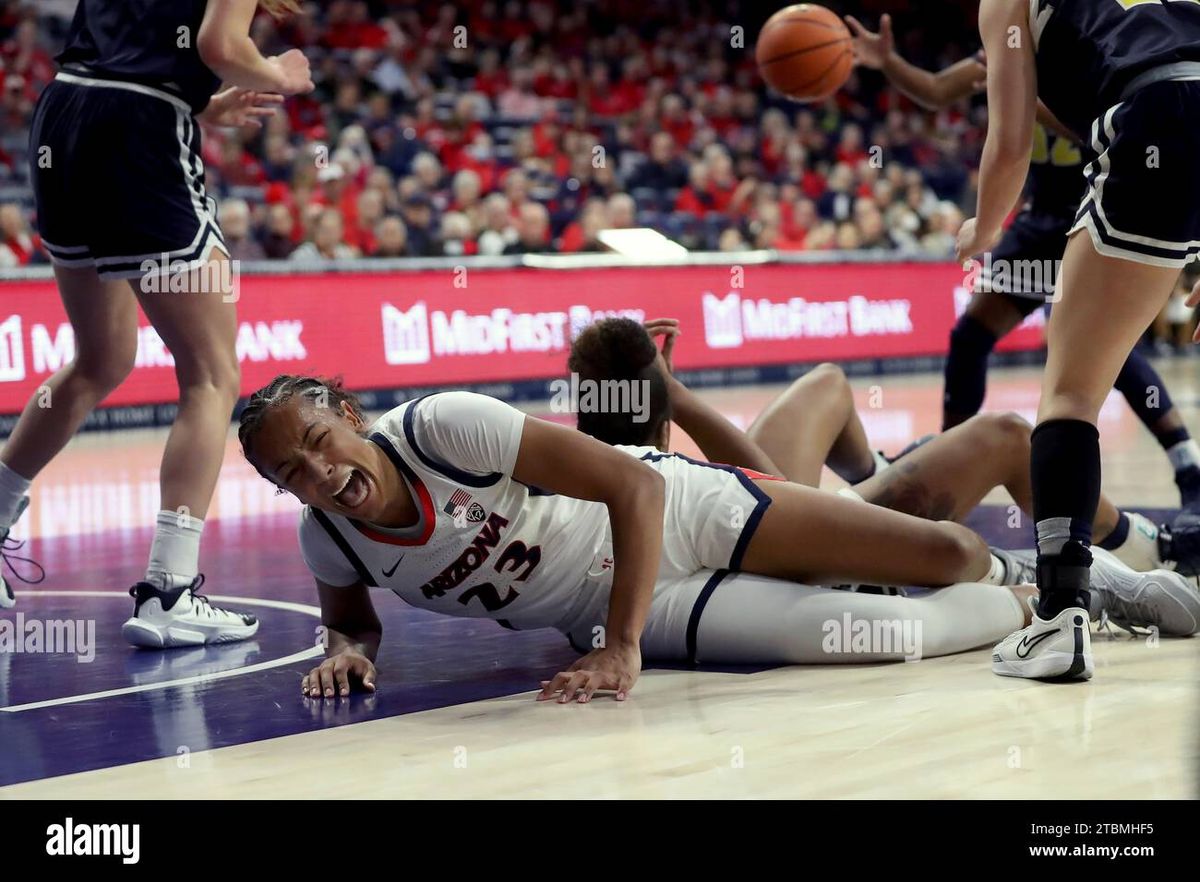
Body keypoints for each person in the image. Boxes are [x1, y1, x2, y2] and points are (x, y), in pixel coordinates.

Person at [237, 372, 1196, 704]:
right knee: (875, 638)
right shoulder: (333, 541)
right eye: (290, 473)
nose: (317, 475)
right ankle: (1035, 599)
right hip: (643, 606)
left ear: (351, 416)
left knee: (941, 551)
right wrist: (344, 652)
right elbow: (352, 624)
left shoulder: (446, 426)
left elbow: (626, 484)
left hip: (676, 510)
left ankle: (1087, 577)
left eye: (318, 444)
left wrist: (616, 653)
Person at [0, 0, 313, 649]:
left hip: (64, 116)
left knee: (101, 358)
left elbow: (126, 51)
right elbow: (222, 44)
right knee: (211, 375)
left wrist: (203, 107)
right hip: (139, 136)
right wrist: (279, 72)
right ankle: (169, 591)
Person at [847, 12, 1200, 513]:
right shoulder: (1010, 34)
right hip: (1038, 221)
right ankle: (951, 457)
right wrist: (888, 62)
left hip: (1100, 188)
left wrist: (1024, 94)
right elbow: (935, 90)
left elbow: (1099, 112)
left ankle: (1185, 461)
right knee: (971, 335)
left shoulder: (1088, 37)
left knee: (1092, 351)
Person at [956, 0, 1200, 679]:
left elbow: (1008, 142)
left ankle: (1061, 620)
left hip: (1147, 114)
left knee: (1068, 392)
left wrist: (982, 229)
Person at [572, 317, 1167, 574]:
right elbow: (770, 502)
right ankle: (1146, 547)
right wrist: (680, 394)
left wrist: (660, 392)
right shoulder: (660, 472)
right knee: (1009, 435)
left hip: (753, 522)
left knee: (827, 384)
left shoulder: (585, 470)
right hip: (797, 547)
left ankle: (879, 472)